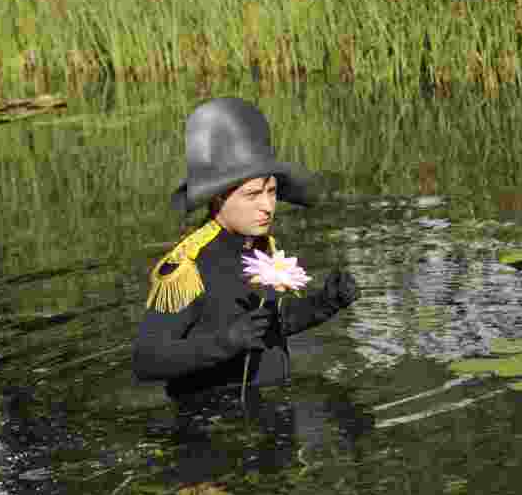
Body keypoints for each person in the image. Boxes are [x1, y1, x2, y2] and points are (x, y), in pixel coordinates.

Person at [133, 97, 359, 403]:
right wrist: (226, 342)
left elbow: (271, 324)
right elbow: (147, 360)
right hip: (213, 430)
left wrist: (326, 302)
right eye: (253, 194)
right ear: (217, 199)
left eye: (272, 191)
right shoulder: (187, 268)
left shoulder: (260, 246)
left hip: (275, 416)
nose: (267, 207)